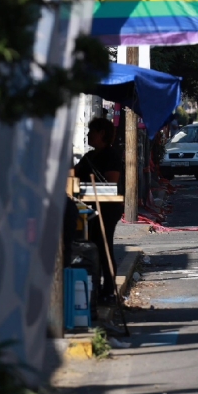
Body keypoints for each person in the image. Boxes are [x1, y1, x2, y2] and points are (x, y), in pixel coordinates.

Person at [73, 118, 125, 304]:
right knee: (91, 246)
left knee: (104, 246)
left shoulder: (111, 155)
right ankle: (95, 286)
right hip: (88, 208)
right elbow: (74, 173)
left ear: (101, 133)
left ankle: (109, 289)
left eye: (91, 131)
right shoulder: (89, 156)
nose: (88, 135)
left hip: (107, 209)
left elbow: (111, 182)